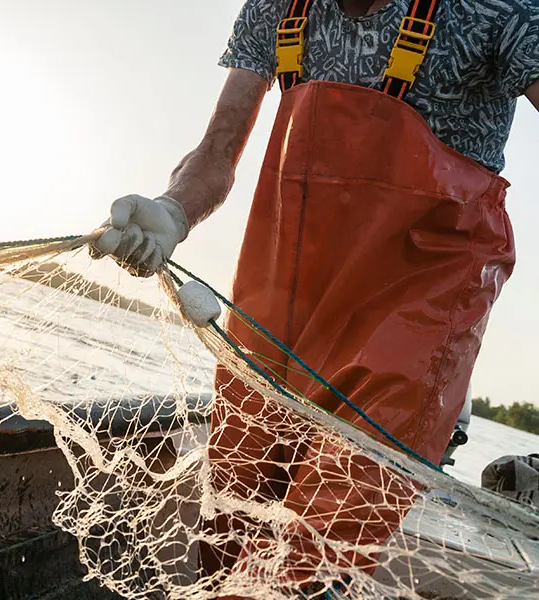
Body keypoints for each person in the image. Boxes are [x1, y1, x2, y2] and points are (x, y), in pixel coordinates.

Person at [92, 0, 539, 596]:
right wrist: (174, 210)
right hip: (282, 302)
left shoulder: (494, 11)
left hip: (415, 318)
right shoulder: (277, 9)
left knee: (311, 556)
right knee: (229, 526)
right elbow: (219, 150)